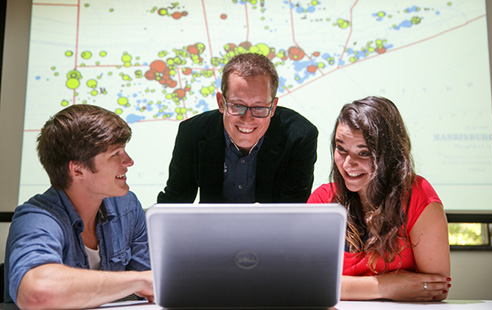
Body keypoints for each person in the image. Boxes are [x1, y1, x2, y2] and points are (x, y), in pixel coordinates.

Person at [4, 104, 154, 309]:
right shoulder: (35, 218)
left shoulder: (127, 206)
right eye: (115, 154)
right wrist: (140, 281)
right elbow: (36, 294)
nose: (128, 161)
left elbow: (155, 289)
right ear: (78, 169)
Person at [308, 96, 451, 302]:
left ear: (389, 155)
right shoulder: (323, 200)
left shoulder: (418, 195)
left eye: (363, 153)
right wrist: (388, 286)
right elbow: (309, 284)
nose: (348, 164)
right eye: (341, 149)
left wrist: (343, 286)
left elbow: (436, 289)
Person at [158, 53, 318, 203]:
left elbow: (294, 212)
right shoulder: (192, 133)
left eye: (259, 107)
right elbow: (174, 204)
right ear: (221, 103)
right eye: (237, 105)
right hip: (211, 232)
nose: (247, 119)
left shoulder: (300, 137)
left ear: (273, 107)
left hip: (272, 231)